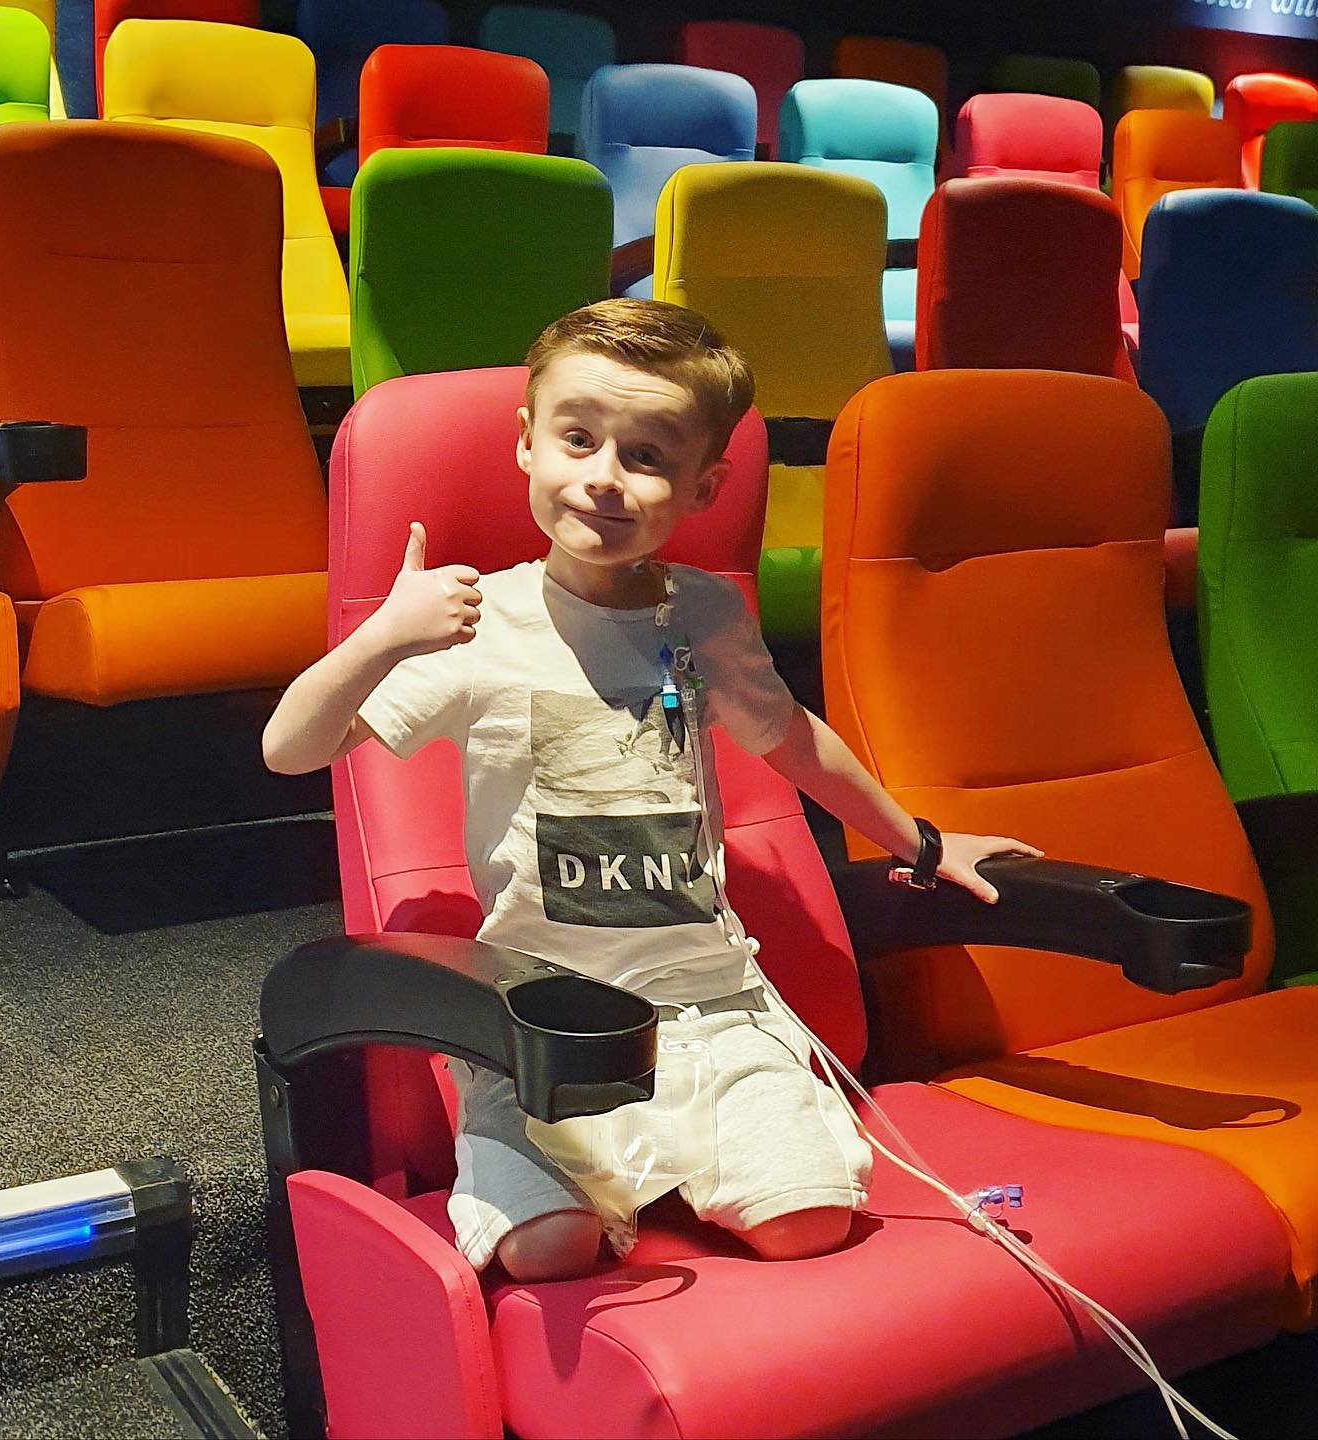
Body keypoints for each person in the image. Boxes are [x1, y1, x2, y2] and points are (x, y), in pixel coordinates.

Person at [263, 297, 1042, 1282]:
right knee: (549, 1248)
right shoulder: (476, 621)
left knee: (806, 1221)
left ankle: (713, 1147)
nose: (604, 477)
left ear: (703, 485)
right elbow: (289, 749)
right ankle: (528, 1153)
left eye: (645, 457)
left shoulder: (704, 613)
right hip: (550, 1020)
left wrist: (923, 844)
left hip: (707, 1010)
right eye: (577, 440)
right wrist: (384, 633)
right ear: (527, 443)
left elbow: (794, 742)